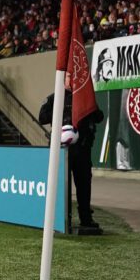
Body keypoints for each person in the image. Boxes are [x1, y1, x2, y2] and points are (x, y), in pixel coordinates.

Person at [39, 76, 105, 230]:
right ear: (63, 79)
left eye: (74, 77)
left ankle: (86, 219)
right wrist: (60, 109)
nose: (72, 80)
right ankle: (61, 220)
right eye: (68, 77)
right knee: (61, 186)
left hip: (82, 150)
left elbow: (99, 117)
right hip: (61, 152)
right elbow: (41, 118)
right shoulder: (54, 98)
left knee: (84, 185)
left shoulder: (86, 98)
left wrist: (89, 107)